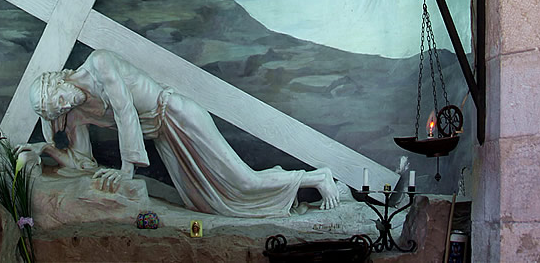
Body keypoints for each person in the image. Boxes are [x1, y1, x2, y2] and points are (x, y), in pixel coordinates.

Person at [23, 49, 340, 217]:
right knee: (210, 205)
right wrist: (43, 151)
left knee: (243, 180)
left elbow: (124, 110)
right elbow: (82, 165)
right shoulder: (74, 114)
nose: (66, 105)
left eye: (61, 98)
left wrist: (126, 171)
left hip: (177, 115)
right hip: (164, 138)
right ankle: (283, 195)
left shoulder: (99, 63)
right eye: (59, 109)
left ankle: (319, 178)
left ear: (60, 80)